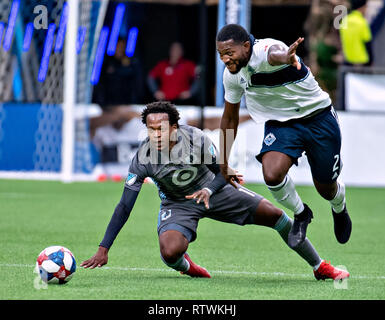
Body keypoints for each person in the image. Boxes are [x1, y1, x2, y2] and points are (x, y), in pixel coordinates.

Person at [81, 101, 349, 281]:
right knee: (170, 252)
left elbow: (223, 173)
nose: (155, 134)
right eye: (150, 129)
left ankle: (319, 266)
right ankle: (190, 267)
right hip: (178, 204)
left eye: (160, 128)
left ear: (173, 127)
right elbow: (125, 206)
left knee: (276, 215)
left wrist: (211, 188)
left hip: (216, 191)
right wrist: (104, 248)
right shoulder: (142, 158)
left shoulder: (195, 138)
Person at [216, 24, 352, 250]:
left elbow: (274, 55)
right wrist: (223, 162)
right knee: (271, 174)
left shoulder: (269, 49)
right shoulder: (231, 76)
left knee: (325, 188)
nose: (226, 60)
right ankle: (301, 214)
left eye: (230, 53)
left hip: (318, 117)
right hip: (281, 123)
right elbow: (229, 118)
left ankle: (339, 206)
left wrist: (286, 57)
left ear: (246, 46)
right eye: (221, 55)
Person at [339, 0, 373, 66]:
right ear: (362, 7)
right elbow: (368, 44)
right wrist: (371, 61)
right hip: (362, 63)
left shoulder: (344, 21)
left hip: (348, 61)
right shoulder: (362, 22)